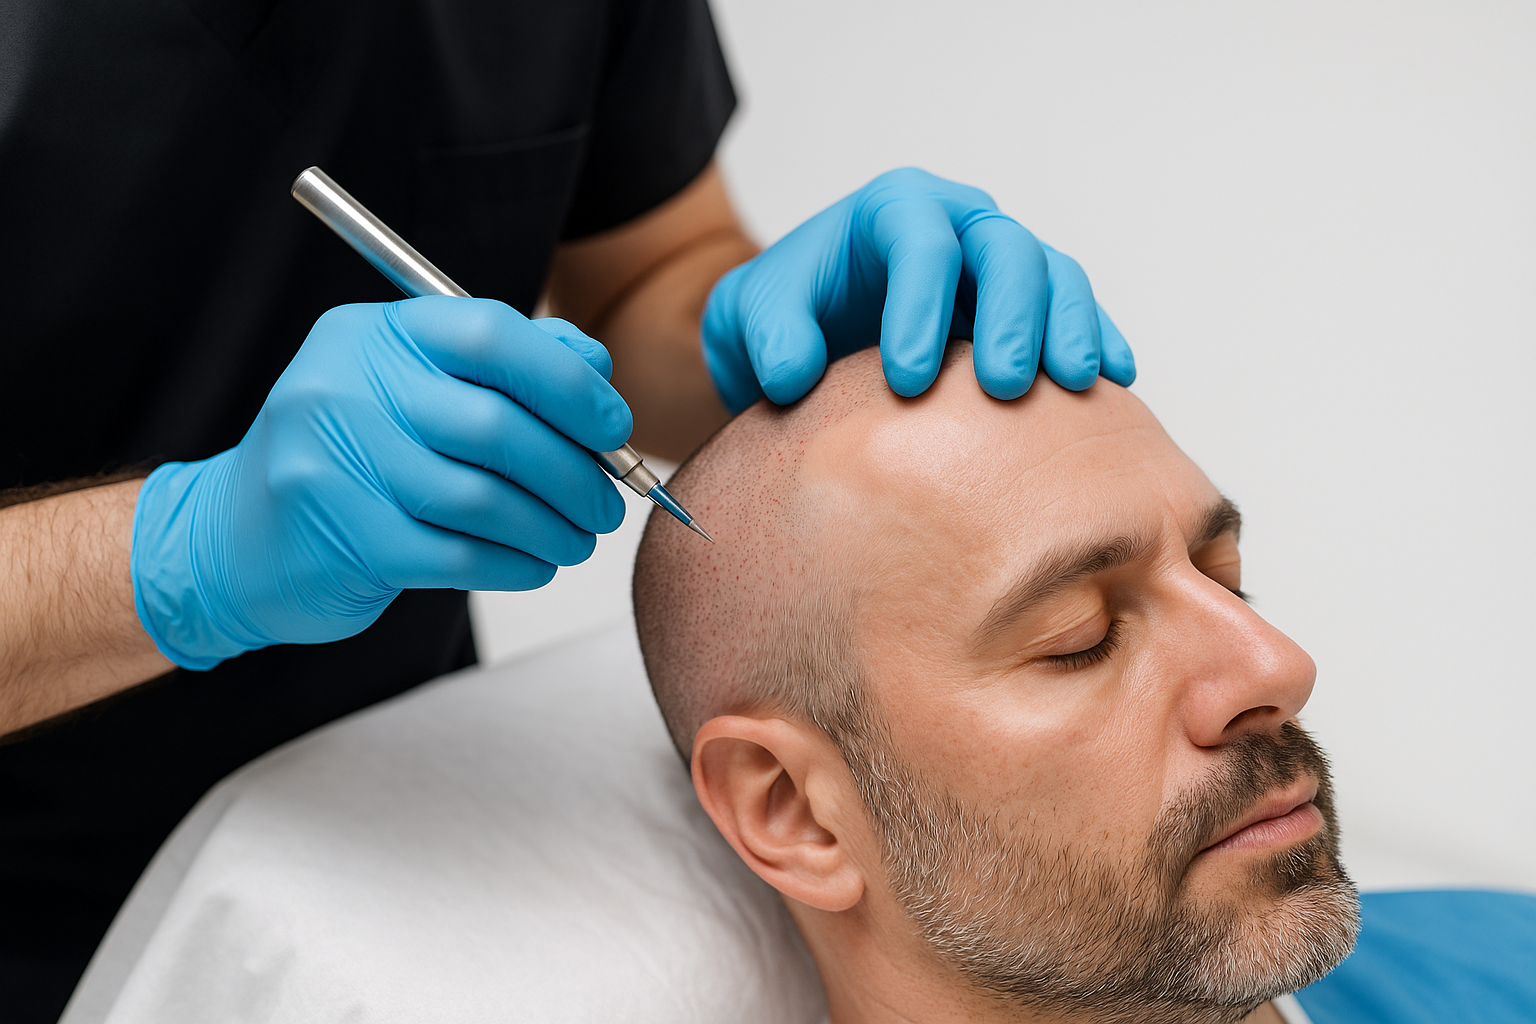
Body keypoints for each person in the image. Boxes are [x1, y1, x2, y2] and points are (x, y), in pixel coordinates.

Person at [0, 2, 1135, 1017]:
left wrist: (745, 340)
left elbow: (646, 268)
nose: (1280, 663)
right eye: (1078, 640)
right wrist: (184, 556)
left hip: (400, 811)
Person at [632, 344, 1536, 1024]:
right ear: (794, 809)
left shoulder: (1511, 961)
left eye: (1223, 579)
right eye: (1083, 640)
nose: (1277, 668)